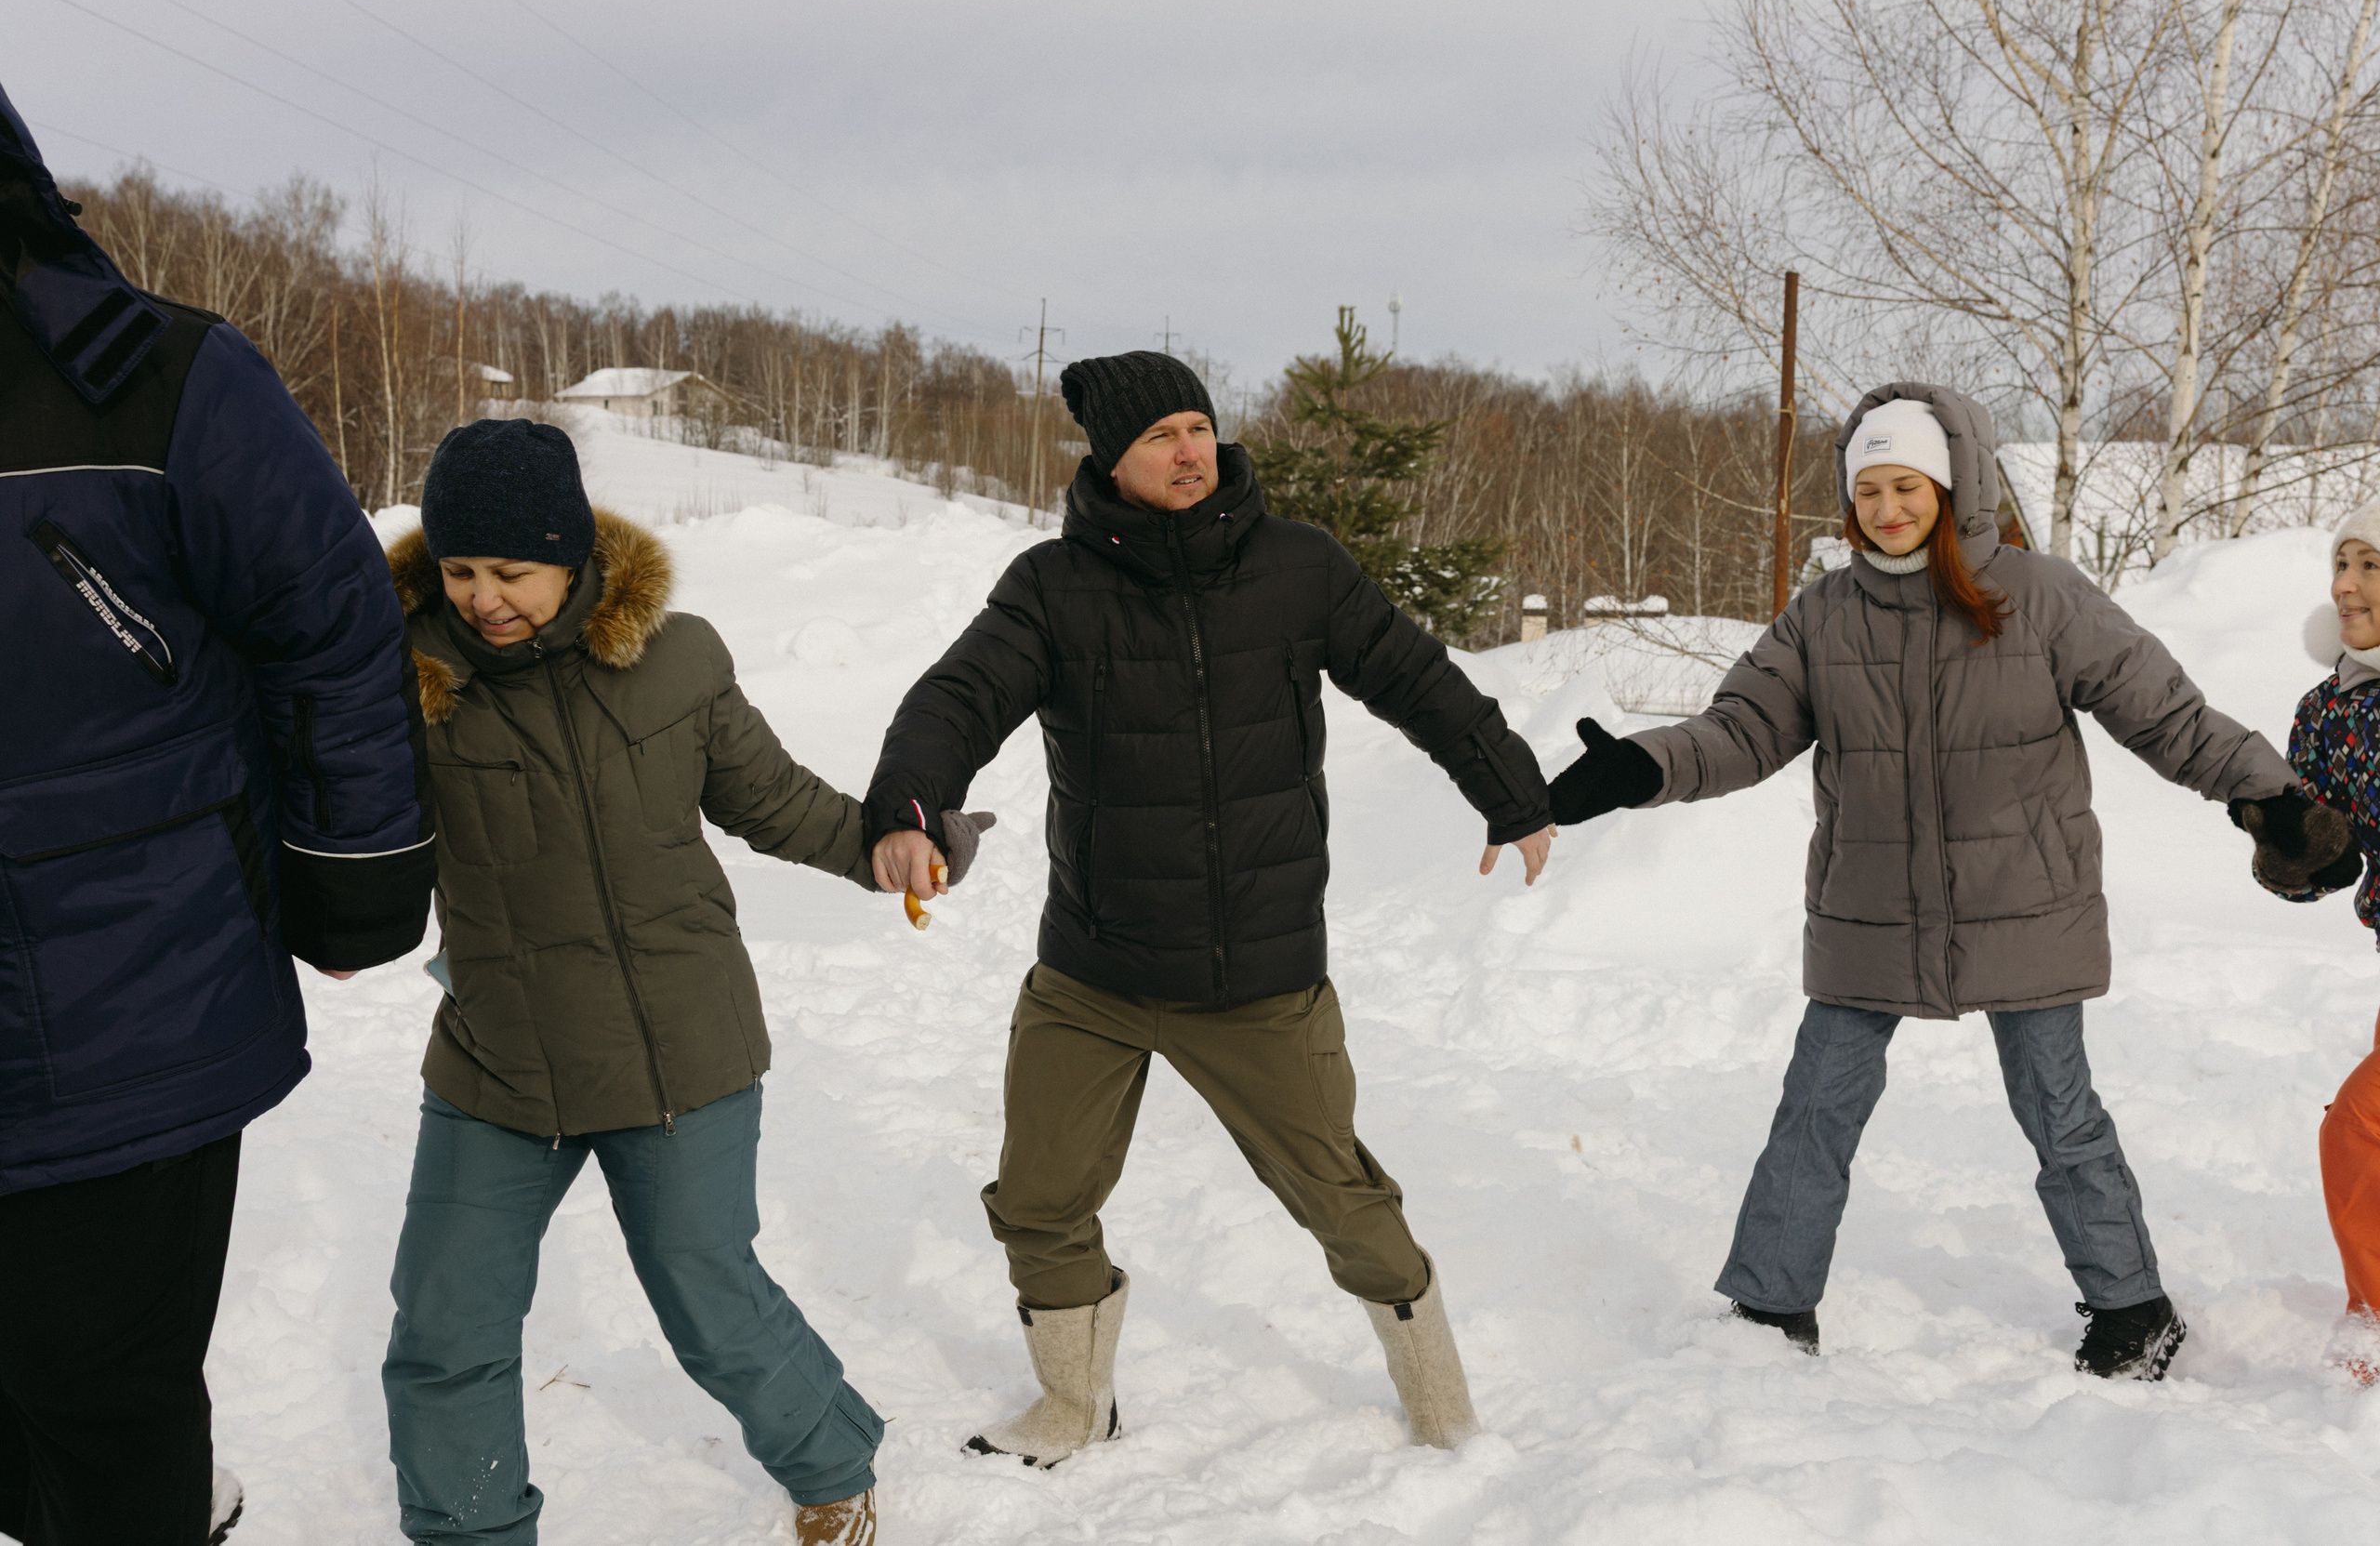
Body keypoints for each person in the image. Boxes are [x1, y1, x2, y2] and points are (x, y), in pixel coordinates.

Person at [1544, 383, 2339, 1381]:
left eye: (1906, 484)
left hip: (2025, 899)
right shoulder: (1822, 616)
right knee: (1817, 1103)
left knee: (2057, 1107)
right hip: (1869, 907)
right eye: (1868, 488)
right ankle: (1768, 1303)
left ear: (1949, 484)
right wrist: (1645, 765)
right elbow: (1743, 729)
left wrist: (2267, 793)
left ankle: (2133, 1307)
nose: (1887, 507)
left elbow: (2164, 714)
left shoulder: (2038, 595)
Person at [864, 350, 1555, 1464]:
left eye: (1198, 427)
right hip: (1090, 967)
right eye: (1159, 437)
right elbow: (959, 696)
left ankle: (1437, 1395)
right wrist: (905, 803)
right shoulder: (1052, 587)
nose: (1189, 451)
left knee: (1341, 1195)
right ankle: (1072, 1400)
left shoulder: (1297, 567)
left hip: (1255, 973)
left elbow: (1417, 676)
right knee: (1038, 1197)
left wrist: (1509, 792)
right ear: (1111, 460)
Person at [377, 418, 961, 1546]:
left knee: (711, 1301)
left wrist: (877, 844)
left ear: (573, 554)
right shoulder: (409, 684)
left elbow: (773, 798)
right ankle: (468, 1531)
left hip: (677, 1047)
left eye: (512, 571)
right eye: (458, 571)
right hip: (499, 1058)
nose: (484, 597)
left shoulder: (675, 657)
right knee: (445, 1321)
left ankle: (832, 1463)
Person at [0, 83, 435, 1545]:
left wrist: (357, 869)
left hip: (128, 986)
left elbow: (330, 627)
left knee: (104, 1385)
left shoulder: (156, 378)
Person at [2248, 506, 2380, 1381]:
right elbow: (2334, 856)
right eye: (2340, 563)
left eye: (2371, 565)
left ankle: (2374, 1310)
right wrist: (2294, 853)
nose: (2345, 586)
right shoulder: (2330, 707)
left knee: (2358, 1130)